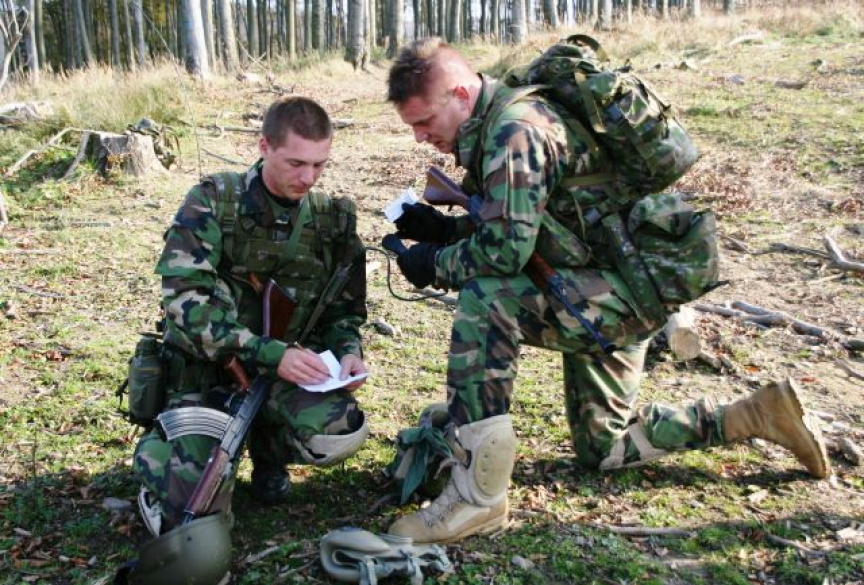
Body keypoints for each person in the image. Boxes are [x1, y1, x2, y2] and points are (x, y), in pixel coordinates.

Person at [383, 38, 830, 545]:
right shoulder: (510, 117)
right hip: (611, 282)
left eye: (425, 122)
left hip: (612, 295)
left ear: (461, 95)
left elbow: (505, 253)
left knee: (488, 300)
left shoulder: (514, 131)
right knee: (605, 448)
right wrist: (445, 231)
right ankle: (755, 414)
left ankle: (477, 498)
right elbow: (530, 222)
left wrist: (435, 263)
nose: (420, 137)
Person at [133, 96, 369, 541]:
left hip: (282, 375)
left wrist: (347, 351)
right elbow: (184, 302)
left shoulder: (332, 221)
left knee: (342, 431)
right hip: (207, 371)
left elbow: (343, 311)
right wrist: (269, 352)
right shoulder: (213, 201)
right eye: (295, 163)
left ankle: (267, 452)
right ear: (264, 146)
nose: (308, 178)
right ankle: (179, 461)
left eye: (319, 165)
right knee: (192, 498)